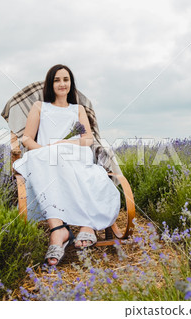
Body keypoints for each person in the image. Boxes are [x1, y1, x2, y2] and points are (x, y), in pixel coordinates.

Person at [12, 64, 120, 266]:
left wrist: (64, 143)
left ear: (71, 83)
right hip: (47, 154)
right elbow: (26, 138)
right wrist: (44, 150)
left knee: (85, 169)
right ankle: (58, 229)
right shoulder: (40, 107)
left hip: (74, 152)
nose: (62, 84)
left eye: (66, 79)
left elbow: (87, 139)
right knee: (42, 160)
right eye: (57, 80)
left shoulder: (77, 109)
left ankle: (87, 225)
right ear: (50, 84)